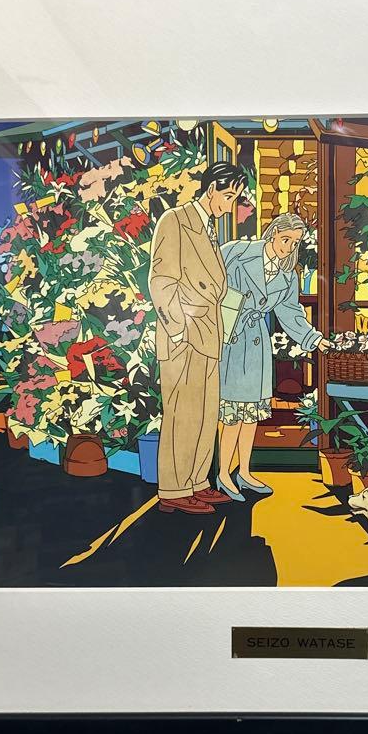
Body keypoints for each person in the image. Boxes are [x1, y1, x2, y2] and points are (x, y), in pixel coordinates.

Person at [148, 162, 246, 514]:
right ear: (211, 189)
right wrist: (178, 329)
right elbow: (161, 280)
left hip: (208, 335)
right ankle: (174, 489)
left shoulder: (208, 228)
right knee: (181, 413)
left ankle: (197, 482)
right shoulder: (175, 220)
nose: (231, 205)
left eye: (235, 197)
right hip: (185, 336)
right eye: (229, 196)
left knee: (204, 415)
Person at [216, 213, 330, 500]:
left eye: (295, 243)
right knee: (232, 414)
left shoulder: (288, 275)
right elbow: (209, 278)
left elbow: (290, 313)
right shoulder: (238, 252)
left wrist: (314, 339)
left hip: (257, 345)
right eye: (285, 239)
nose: (289, 247)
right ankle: (223, 474)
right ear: (273, 233)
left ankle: (244, 472)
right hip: (230, 338)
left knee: (251, 414)